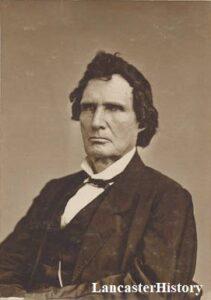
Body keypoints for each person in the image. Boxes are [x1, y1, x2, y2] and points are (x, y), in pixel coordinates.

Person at [0, 52, 200, 299]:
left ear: (142, 122)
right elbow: (4, 270)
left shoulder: (168, 198)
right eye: (88, 108)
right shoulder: (54, 191)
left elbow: (150, 290)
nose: (96, 122)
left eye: (114, 108)